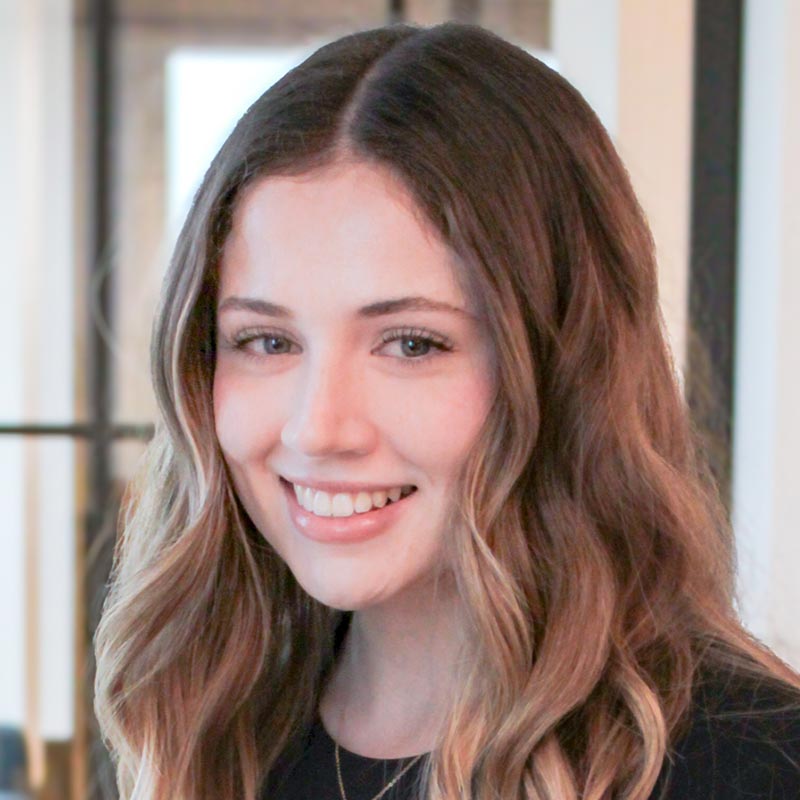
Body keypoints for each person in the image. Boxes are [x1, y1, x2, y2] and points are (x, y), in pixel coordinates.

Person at [93, 21, 800, 800]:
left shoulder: (755, 764)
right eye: (265, 341)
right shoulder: (214, 730)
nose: (316, 429)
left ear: (565, 364)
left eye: (412, 344)